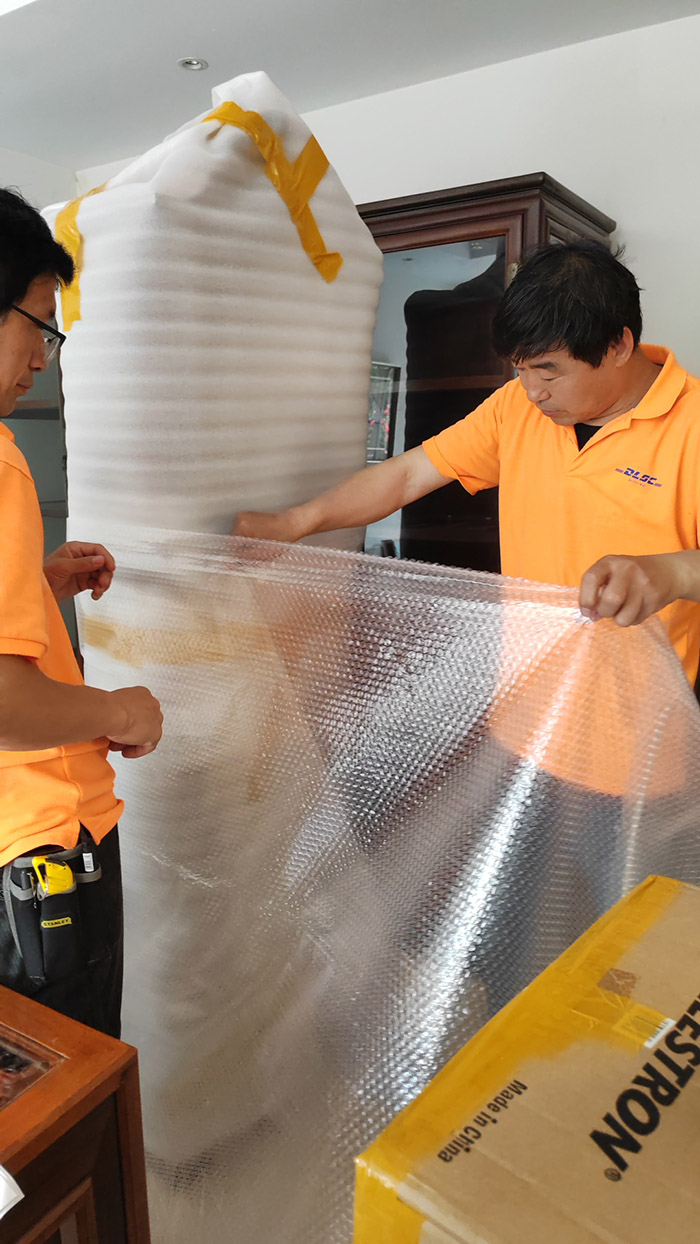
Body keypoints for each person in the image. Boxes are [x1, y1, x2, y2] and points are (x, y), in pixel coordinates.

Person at [234, 241, 700, 686]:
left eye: (548, 370)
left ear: (618, 346)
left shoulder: (692, 424)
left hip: (644, 722)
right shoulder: (513, 407)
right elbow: (408, 476)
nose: (532, 391)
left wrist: (672, 572)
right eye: (519, 369)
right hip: (525, 699)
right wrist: (296, 522)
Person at [0, 188, 163, 1038]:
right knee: (77, 1088)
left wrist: (33, 585)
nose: (43, 357)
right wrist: (120, 711)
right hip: (42, 851)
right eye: (39, 324)